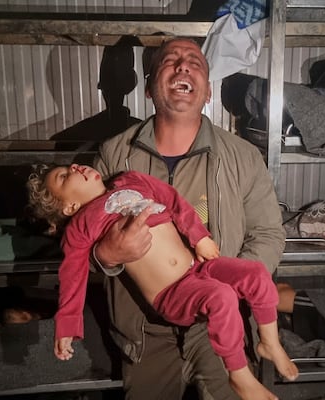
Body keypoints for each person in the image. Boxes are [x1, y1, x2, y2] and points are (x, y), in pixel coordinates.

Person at [89, 37, 287, 400]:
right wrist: (107, 255)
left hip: (219, 326)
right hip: (144, 331)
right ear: (149, 89)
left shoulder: (243, 157)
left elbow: (268, 234)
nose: (183, 66)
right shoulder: (115, 155)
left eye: (195, 62)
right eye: (171, 61)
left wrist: (227, 285)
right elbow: (77, 240)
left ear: (208, 91)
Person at [26, 163, 298, 400]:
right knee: (221, 297)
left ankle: (270, 342)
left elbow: (173, 199)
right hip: (171, 293)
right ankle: (239, 375)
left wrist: (199, 237)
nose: (74, 167)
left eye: (70, 166)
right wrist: (67, 325)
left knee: (256, 274)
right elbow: (72, 274)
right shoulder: (82, 225)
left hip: (197, 269)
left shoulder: (130, 179)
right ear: (70, 206)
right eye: (63, 177)